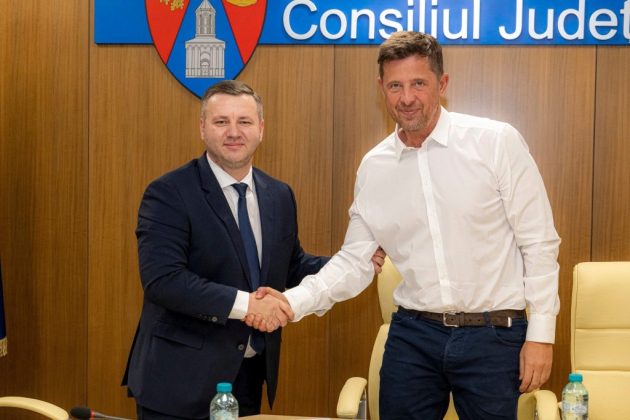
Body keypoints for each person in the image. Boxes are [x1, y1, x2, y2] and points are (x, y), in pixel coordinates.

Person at [256, 31, 561, 419]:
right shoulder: (375, 167)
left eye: (419, 83)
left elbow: (539, 242)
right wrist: (291, 302)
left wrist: (541, 336)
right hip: (414, 336)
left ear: (442, 84)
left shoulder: (496, 142)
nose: (406, 98)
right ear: (381, 88)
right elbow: (355, 261)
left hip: (494, 335)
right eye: (395, 86)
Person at [121, 80, 385, 420]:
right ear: (202, 128)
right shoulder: (169, 192)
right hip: (178, 382)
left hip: (246, 377)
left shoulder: (278, 194)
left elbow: (291, 265)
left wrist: (348, 263)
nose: (234, 132)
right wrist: (249, 305)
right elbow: (164, 281)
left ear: (261, 128)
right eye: (221, 122)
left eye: (244, 121)